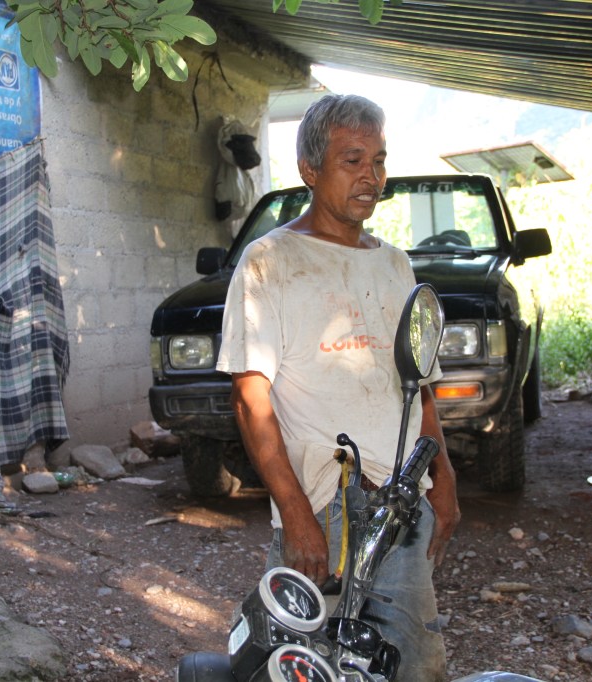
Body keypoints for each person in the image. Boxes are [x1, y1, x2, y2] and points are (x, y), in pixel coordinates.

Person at [216, 94, 460, 681]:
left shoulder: (396, 265)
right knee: (305, 663)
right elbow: (252, 401)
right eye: (353, 160)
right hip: (323, 501)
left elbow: (417, 385)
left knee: (413, 662)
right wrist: (294, 513)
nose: (371, 177)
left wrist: (444, 478)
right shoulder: (269, 262)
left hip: (401, 498)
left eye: (378, 160)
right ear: (310, 170)